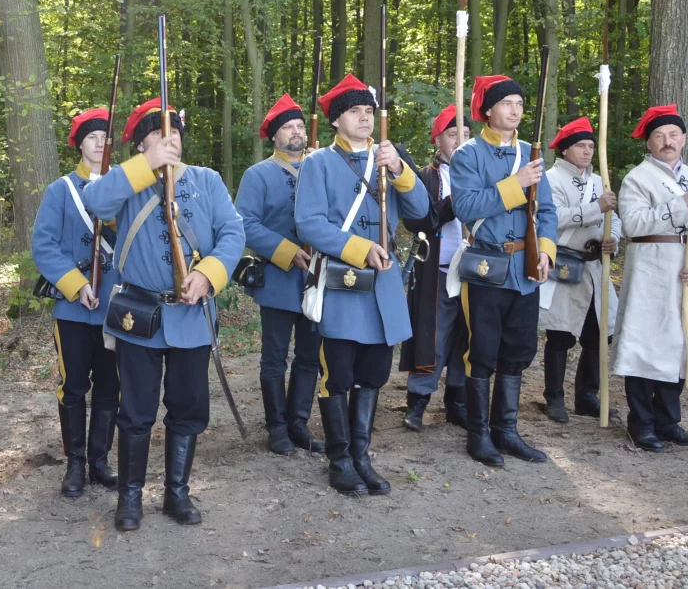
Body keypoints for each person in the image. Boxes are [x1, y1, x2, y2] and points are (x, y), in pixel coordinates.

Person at [83, 97, 244, 532]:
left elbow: (232, 232)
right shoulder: (127, 183)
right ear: (140, 146)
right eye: (154, 138)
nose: (166, 144)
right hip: (140, 316)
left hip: (192, 316)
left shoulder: (207, 181)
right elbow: (95, 202)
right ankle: (129, 498)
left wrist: (209, 275)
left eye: (171, 137)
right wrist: (143, 167)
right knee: (135, 412)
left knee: (188, 408)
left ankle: (177, 493)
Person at [294, 74, 429, 495]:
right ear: (336, 120)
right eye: (355, 112)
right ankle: (339, 460)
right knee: (338, 376)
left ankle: (361, 456)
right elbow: (309, 223)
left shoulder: (387, 157)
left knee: (373, 375)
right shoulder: (317, 163)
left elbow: (421, 211)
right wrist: (357, 248)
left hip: (383, 288)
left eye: (369, 111)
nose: (364, 118)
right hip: (341, 283)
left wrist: (401, 169)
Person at [450, 74, 558, 467]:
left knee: (518, 351)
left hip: (524, 267)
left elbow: (545, 211)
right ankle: (478, 435)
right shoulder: (468, 154)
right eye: (507, 103)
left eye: (519, 104)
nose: (515, 110)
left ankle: (506, 431)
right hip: (487, 265)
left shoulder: (531, 152)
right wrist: (516, 184)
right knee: (482, 351)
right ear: (489, 109)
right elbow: (466, 207)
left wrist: (545, 252)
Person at [613, 105, 688, 451]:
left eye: (673, 135)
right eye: (659, 136)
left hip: (686, 271)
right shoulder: (637, 178)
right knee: (646, 346)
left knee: (679, 345)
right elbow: (633, 224)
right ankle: (641, 423)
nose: (667, 141)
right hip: (650, 268)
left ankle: (667, 420)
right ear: (649, 143)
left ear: (684, 139)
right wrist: (680, 204)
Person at [32, 107, 121, 497]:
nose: (100, 143)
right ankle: (75, 462)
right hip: (73, 306)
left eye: (105, 137)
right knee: (73, 386)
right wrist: (75, 284)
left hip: (116, 306)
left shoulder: (126, 187)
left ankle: (100, 460)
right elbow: (45, 245)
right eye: (92, 137)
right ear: (79, 144)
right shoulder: (60, 190)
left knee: (110, 385)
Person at [235, 93, 323, 455]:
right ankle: (276, 427)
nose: (296, 132)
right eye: (288, 127)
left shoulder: (321, 168)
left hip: (318, 277)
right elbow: (244, 224)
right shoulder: (258, 175)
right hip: (279, 278)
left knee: (309, 356)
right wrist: (287, 252)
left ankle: (298, 422)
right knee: (274, 357)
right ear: (275, 136)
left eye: (300, 126)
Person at [538, 117, 622, 423]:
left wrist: (614, 239)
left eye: (590, 146)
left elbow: (616, 219)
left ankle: (587, 396)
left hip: (595, 266)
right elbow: (553, 217)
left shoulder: (600, 181)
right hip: (564, 265)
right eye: (580, 146)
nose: (587, 152)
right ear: (566, 149)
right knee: (560, 334)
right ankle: (554, 397)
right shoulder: (550, 178)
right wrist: (594, 208)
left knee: (599, 335)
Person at [400, 104, 471, 431]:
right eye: (454, 134)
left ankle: (458, 401)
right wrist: (452, 204)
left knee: (466, 338)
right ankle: (418, 401)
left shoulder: (480, 173)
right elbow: (419, 221)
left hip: (476, 271)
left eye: (467, 134)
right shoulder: (425, 177)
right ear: (438, 140)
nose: (461, 140)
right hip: (438, 271)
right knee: (434, 337)